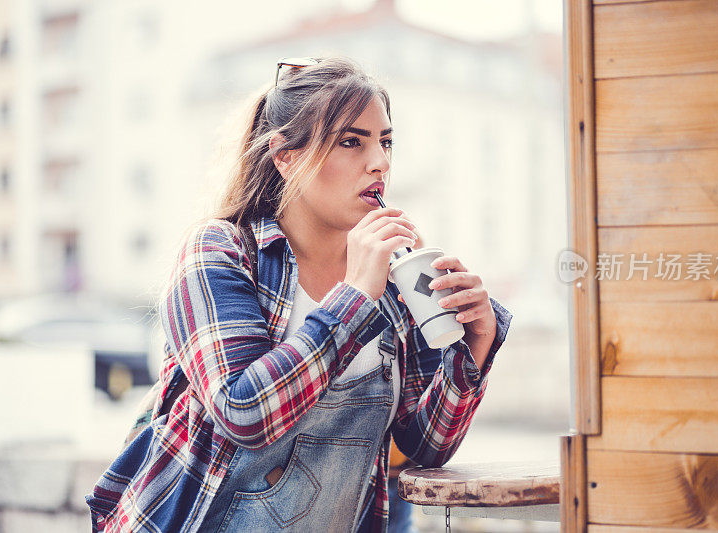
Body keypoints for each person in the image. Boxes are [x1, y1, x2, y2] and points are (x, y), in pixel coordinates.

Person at [87, 56, 512, 533]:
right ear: (284, 156)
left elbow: (424, 446)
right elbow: (241, 411)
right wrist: (355, 297)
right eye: (351, 142)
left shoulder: (395, 275)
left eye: (385, 141)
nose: (380, 162)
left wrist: (474, 345)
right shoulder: (220, 251)